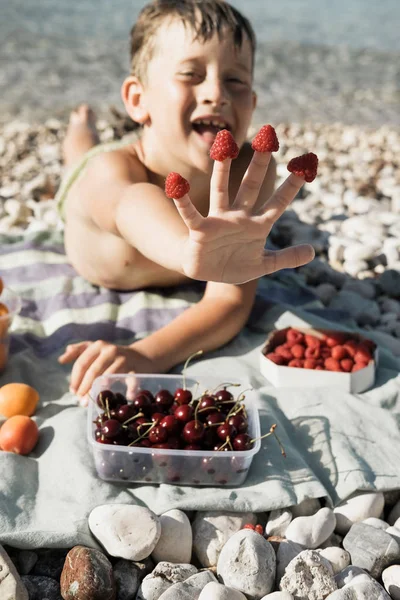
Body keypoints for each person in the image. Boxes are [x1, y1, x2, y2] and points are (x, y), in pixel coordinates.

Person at [57, 0, 315, 399]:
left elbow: (228, 302)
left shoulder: (251, 173)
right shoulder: (113, 176)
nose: (216, 93)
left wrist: (145, 354)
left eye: (236, 81)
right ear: (138, 100)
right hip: (92, 179)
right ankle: (80, 124)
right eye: (191, 74)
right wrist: (188, 251)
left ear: (252, 104)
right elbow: (131, 206)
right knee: (80, 153)